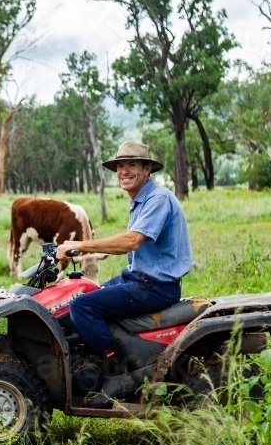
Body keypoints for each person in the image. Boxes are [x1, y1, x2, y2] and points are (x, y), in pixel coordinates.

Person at [57, 141, 192, 378]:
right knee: (82, 295)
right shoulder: (139, 200)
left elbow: (131, 241)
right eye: (120, 166)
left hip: (155, 287)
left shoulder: (158, 199)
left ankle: (116, 373)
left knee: (82, 307)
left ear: (147, 168)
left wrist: (79, 245)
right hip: (139, 278)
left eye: (132, 164)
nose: (124, 171)